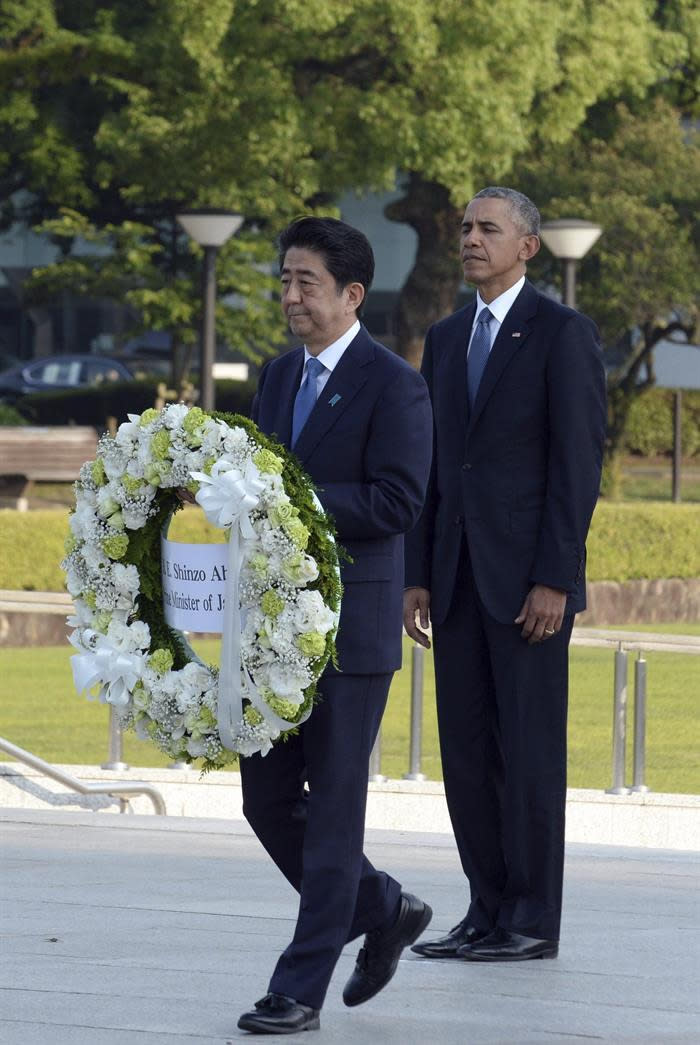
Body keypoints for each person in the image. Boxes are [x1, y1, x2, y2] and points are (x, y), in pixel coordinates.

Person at [237, 216, 434, 1034]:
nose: (289, 296)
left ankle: (299, 988)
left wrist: (293, 498)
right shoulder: (278, 375)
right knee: (266, 797)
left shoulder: (396, 384)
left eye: (304, 282)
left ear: (352, 293)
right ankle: (382, 904)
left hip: (350, 631)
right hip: (273, 628)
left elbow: (397, 499)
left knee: (335, 812)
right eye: (283, 280)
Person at [405, 187, 606, 963]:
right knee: (465, 754)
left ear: (527, 246)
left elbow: (575, 467)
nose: (470, 239)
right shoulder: (447, 337)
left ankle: (531, 918)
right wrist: (420, 570)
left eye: (488, 228)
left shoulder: (563, 333)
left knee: (527, 755)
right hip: (455, 580)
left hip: (529, 587)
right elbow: (433, 465)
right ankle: (486, 909)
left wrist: (556, 575)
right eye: (465, 227)